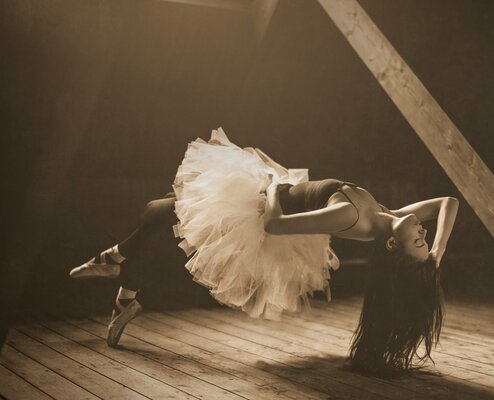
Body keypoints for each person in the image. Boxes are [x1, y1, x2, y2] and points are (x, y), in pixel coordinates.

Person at [70, 128, 458, 376]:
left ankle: (118, 271)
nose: (423, 231)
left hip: (260, 209)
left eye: (419, 240)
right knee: (157, 213)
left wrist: (272, 188)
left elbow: (275, 225)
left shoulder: (353, 215)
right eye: (424, 236)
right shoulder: (392, 217)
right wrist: (437, 251)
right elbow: (447, 202)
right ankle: (122, 281)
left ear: (393, 245)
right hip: (270, 197)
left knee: (159, 214)